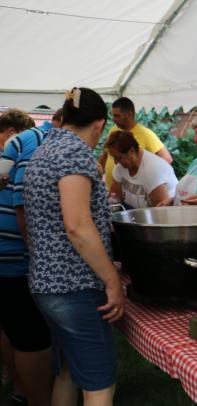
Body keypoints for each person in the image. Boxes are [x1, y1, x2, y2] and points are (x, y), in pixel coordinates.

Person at [24, 87, 126, 406]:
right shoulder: (74, 153)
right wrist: (112, 280)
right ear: (99, 125)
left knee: (68, 371)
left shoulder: (45, 149)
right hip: (74, 288)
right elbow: (77, 225)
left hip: (46, 285)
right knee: (99, 386)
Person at [0, 109, 53, 406]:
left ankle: (21, 388)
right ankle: (38, 399)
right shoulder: (27, 144)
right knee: (31, 340)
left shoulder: (11, 154)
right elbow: (21, 208)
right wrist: (38, 255)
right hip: (13, 260)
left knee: (13, 329)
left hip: (7, 259)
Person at [98, 96, 172, 189]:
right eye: (113, 115)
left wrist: (148, 178)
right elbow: (105, 155)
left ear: (129, 115)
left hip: (133, 194)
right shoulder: (114, 131)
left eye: (117, 116)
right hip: (111, 191)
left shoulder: (146, 134)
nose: (113, 119)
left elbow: (167, 159)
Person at [106, 130, 178, 209]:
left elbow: (162, 212)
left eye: (118, 158)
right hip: (134, 213)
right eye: (114, 158)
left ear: (131, 151)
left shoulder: (152, 170)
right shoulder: (121, 166)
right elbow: (114, 198)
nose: (116, 163)